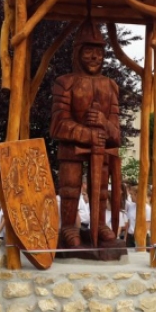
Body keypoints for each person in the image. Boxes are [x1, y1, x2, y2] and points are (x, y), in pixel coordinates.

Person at [50, 18, 121, 248]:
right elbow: (59, 123)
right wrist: (85, 133)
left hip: (101, 148)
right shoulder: (65, 83)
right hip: (72, 149)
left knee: (100, 190)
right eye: (89, 51)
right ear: (78, 52)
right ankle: (69, 226)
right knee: (70, 189)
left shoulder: (110, 86)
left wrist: (102, 122)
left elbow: (116, 132)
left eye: (99, 53)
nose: (94, 57)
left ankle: (99, 224)